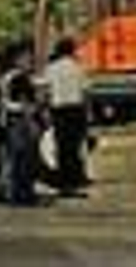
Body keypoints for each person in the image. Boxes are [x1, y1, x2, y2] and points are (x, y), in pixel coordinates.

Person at [43, 37, 90, 195]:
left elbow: (47, 92)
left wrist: (47, 110)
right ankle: (77, 177)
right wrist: (88, 113)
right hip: (76, 110)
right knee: (76, 145)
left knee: (62, 147)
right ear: (71, 50)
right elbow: (85, 92)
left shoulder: (51, 68)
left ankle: (65, 179)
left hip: (58, 111)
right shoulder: (78, 67)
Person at [0, 47, 41, 206]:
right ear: (17, 60)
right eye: (27, 59)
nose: (30, 62)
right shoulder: (19, 78)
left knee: (16, 160)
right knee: (25, 160)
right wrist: (32, 123)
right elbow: (26, 104)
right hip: (20, 122)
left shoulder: (7, 77)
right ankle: (25, 195)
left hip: (12, 122)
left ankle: (17, 194)